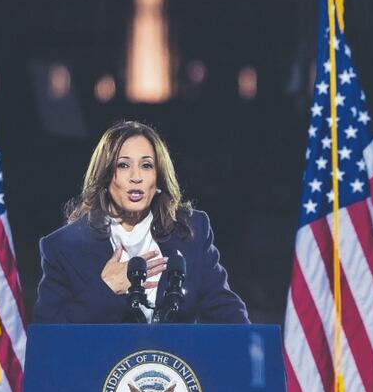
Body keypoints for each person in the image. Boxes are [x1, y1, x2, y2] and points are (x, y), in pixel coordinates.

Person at [34, 120, 248, 324]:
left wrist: (254, 348)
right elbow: (50, 339)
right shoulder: (63, 248)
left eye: (146, 165)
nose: (136, 176)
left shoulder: (191, 231)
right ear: (105, 176)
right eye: (123, 165)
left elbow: (226, 311)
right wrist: (106, 288)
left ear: (159, 179)